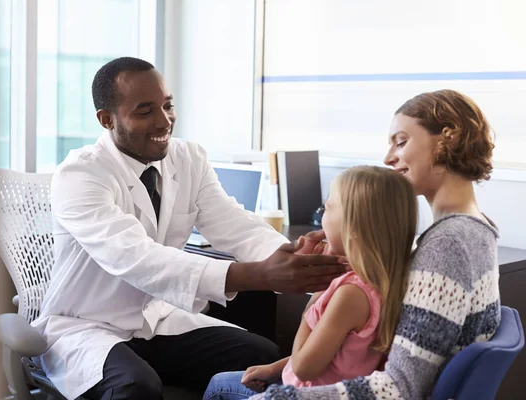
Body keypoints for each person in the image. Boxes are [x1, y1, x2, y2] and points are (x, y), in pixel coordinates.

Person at [31, 56, 347, 400]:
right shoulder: (80, 174)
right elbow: (137, 258)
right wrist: (260, 275)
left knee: (263, 361)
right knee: (135, 386)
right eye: (145, 111)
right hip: (86, 326)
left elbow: (236, 224)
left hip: (156, 320)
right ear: (107, 119)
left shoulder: (188, 158)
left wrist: (294, 256)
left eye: (167, 106)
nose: (164, 120)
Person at [246, 89, 500, 400]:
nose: (389, 157)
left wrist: (277, 398)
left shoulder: (447, 245)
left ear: (446, 139)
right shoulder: (477, 229)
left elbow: (402, 387)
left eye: (401, 141)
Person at [203, 165, 418, 400]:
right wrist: (274, 369)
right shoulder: (387, 280)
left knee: (219, 386)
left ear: (353, 227)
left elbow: (304, 367)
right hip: (328, 387)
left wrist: (315, 300)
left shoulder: (350, 295)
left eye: (327, 208)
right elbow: (331, 353)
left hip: (307, 393)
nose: (320, 220)